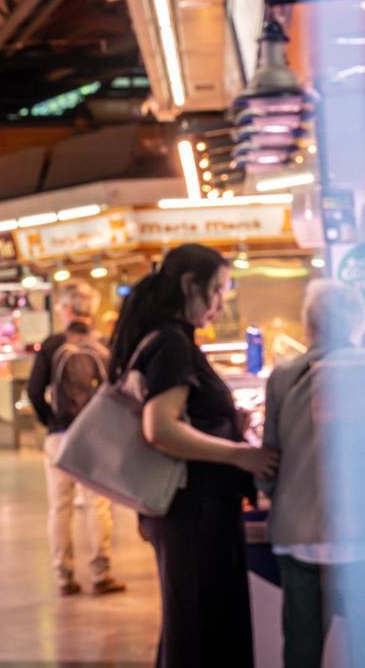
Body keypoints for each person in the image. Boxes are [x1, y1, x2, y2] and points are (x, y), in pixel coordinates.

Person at [110, 244, 278, 668]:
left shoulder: (163, 339)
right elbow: (160, 428)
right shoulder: (171, 343)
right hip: (195, 510)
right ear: (190, 286)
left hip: (186, 510)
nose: (221, 303)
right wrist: (240, 456)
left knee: (191, 625)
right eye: (217, 290)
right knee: (203, 628)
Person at [262, 280, 365, 668]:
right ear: (354, 323)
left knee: (301, 642)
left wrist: (271, 493)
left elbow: (269, 458)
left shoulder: (282, 377)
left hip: (297, 532)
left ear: (308, 326)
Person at [26, 281, 125, 597]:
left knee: (60, 507)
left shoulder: (52, 345)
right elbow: (118, 392)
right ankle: (101, 573)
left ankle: (64, 576)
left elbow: (33, 392)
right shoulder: (104, 345)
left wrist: (50, 421)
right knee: (98, 506)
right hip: (94, 437)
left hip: (60, 435)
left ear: (66, 310)